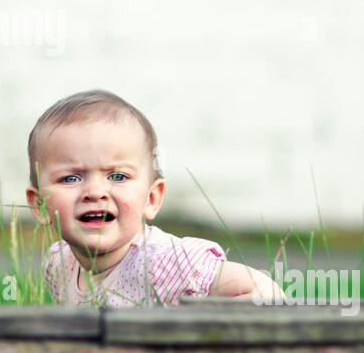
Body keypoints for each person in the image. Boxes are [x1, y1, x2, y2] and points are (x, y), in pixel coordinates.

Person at [26, 89, 286, 308]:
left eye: (117, 176)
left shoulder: (163, 262)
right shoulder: (60, 265)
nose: (95, 192)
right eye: (71, 178)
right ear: (39, 206)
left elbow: (265, 294)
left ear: (151, 198)